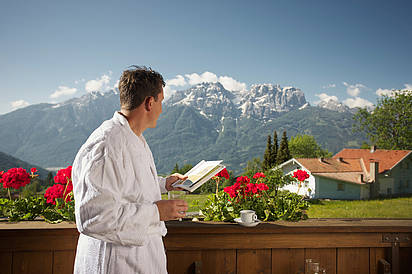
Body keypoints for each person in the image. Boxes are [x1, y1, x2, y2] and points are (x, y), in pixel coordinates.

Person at [72, 65, 188, 273]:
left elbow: (126, 184)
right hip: (115, 264)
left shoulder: (132, 136)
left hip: (137, 260)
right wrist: (156, 212)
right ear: (149, 103)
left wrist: (163, 183)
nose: (162, 109)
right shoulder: (107, 144)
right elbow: (94, 217)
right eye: (161, 102)